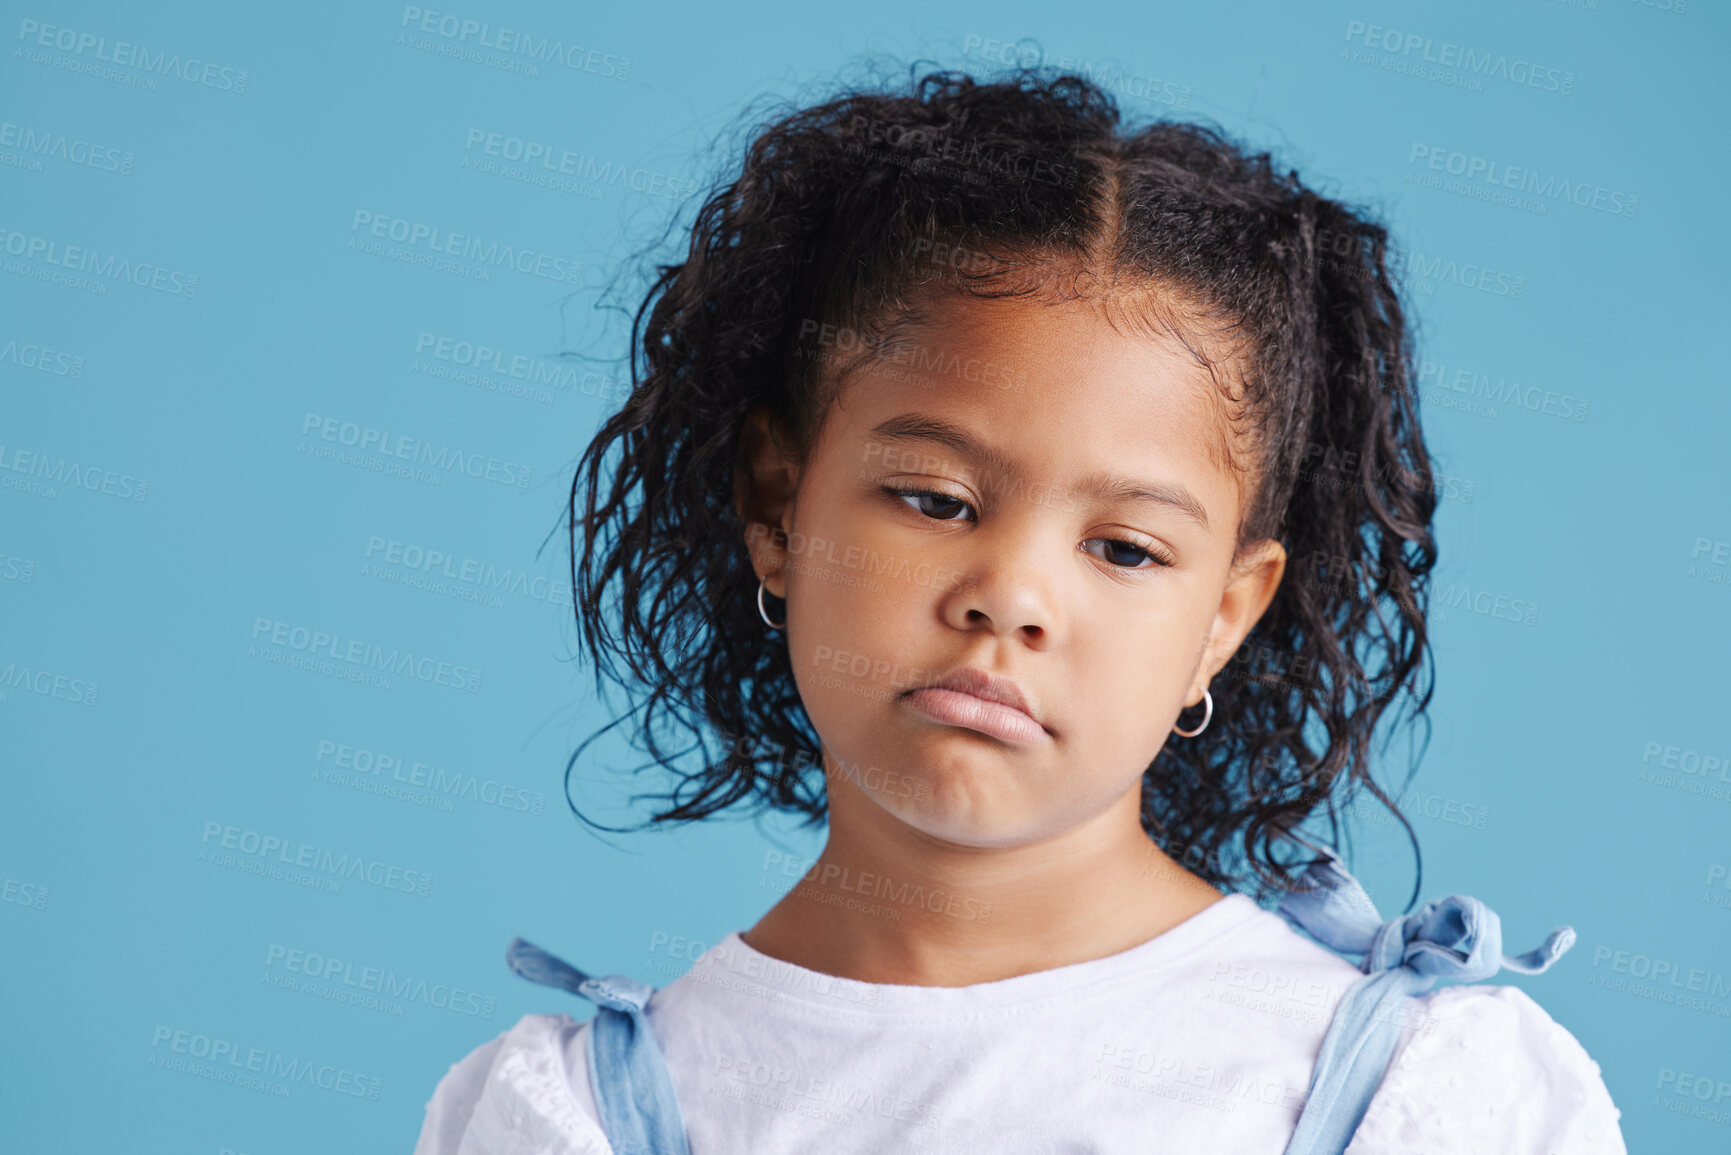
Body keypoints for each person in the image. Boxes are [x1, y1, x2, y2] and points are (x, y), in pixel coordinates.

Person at [414, 66, 1626, 1154]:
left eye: (1126, 548)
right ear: (780, 507)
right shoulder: (577, 1116)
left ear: (1226, 614)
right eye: (935, 500)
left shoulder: (1427, 1094)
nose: (1011, 597)